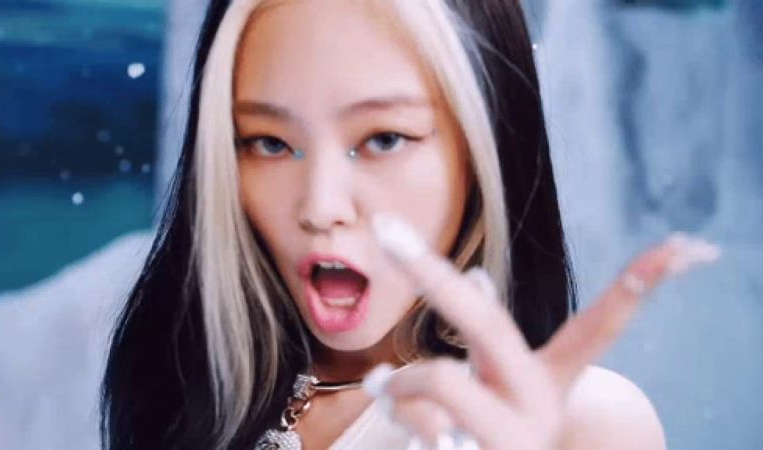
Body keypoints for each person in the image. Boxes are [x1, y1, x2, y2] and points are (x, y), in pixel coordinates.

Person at [100, 0, 720, 448]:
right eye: (267, 142)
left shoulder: (584, 422)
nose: (319, 206)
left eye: (383, 138)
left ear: (485, 151)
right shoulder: (193, 394)